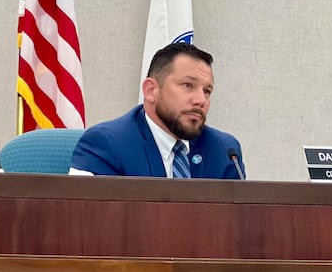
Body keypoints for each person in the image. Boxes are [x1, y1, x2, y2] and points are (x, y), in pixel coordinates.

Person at [70, 43, 245, 179]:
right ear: (151, 90)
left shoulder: (225, 151)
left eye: (207, 91)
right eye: (188, 85)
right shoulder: (107, 144)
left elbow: (237, 222)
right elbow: (84, 218)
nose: (200, 100)